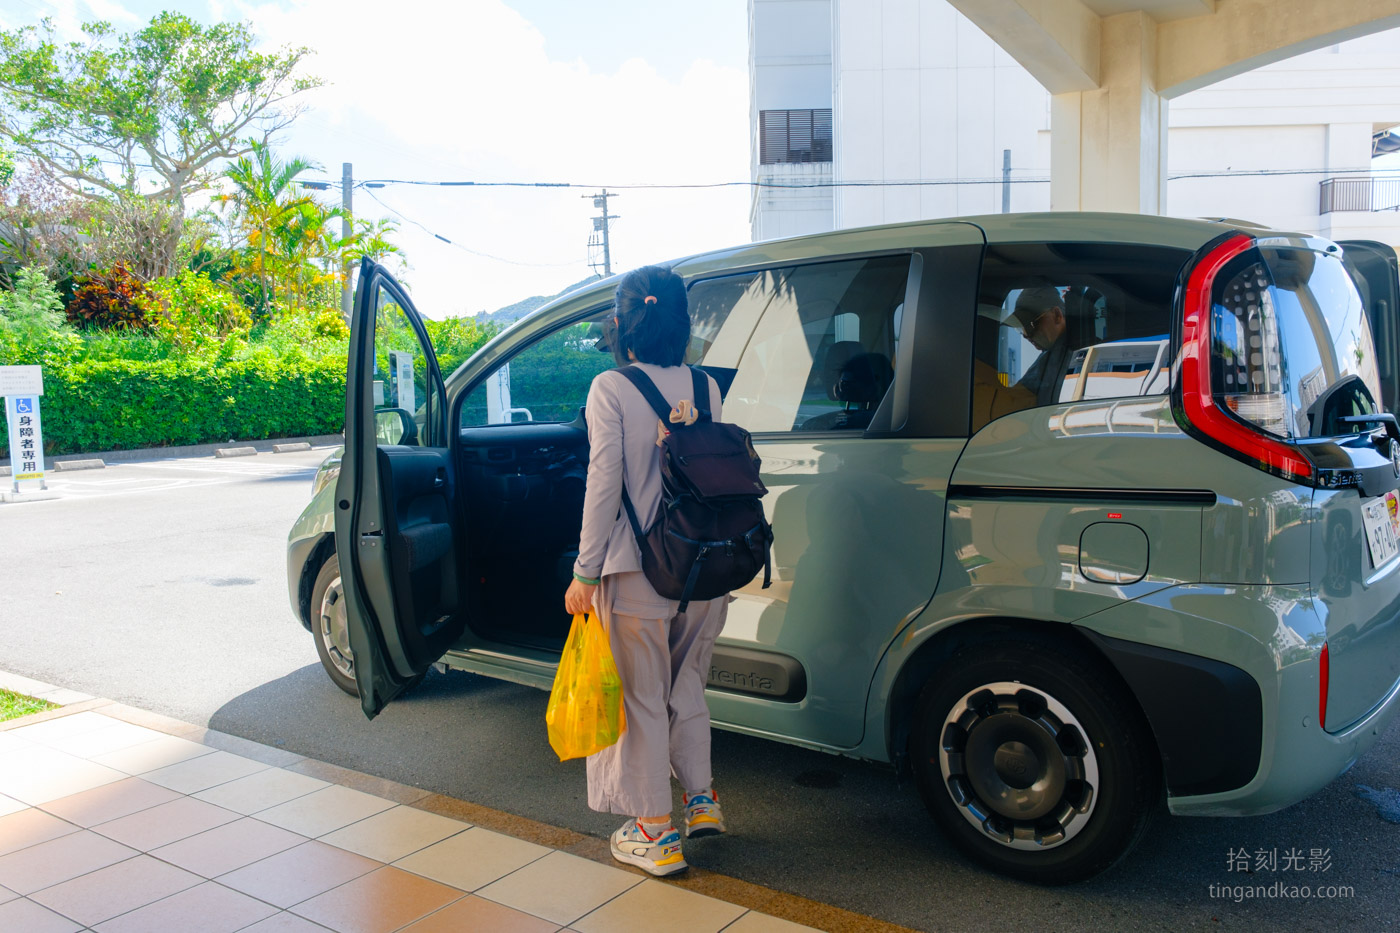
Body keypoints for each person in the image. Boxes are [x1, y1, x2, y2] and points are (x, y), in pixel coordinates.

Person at [563, 264, 728, 877]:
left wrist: (585, 572)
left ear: (620, 323)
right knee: (687, 687)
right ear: (683, 323)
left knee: (642, 700)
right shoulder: (707, 386)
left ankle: (655, 834)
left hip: (640, 572)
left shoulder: (611, 387)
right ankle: (701, 799)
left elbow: (603, 483)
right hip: (705, 567)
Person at [1009, 286, 1070, 406]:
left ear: (1057, 315)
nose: (1026, 335)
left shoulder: (1063, 354)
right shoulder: (1051, 354)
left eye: (1030, 326)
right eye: (1020, 329)